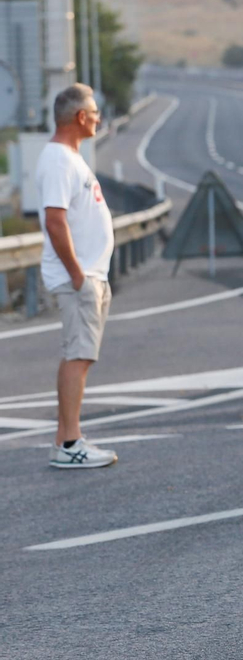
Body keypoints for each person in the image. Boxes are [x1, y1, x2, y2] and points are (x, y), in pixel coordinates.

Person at [37, 83, 117, 469]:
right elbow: (55, 220)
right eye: (95, 112)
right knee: (78, 356)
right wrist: (77, 275)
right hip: (80, 278)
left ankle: (63, 439)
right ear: (80, 118)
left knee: (79, 357)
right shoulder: (57, 160)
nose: (99, 118)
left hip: (89, 275)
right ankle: (70, 443)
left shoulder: (68, 157)